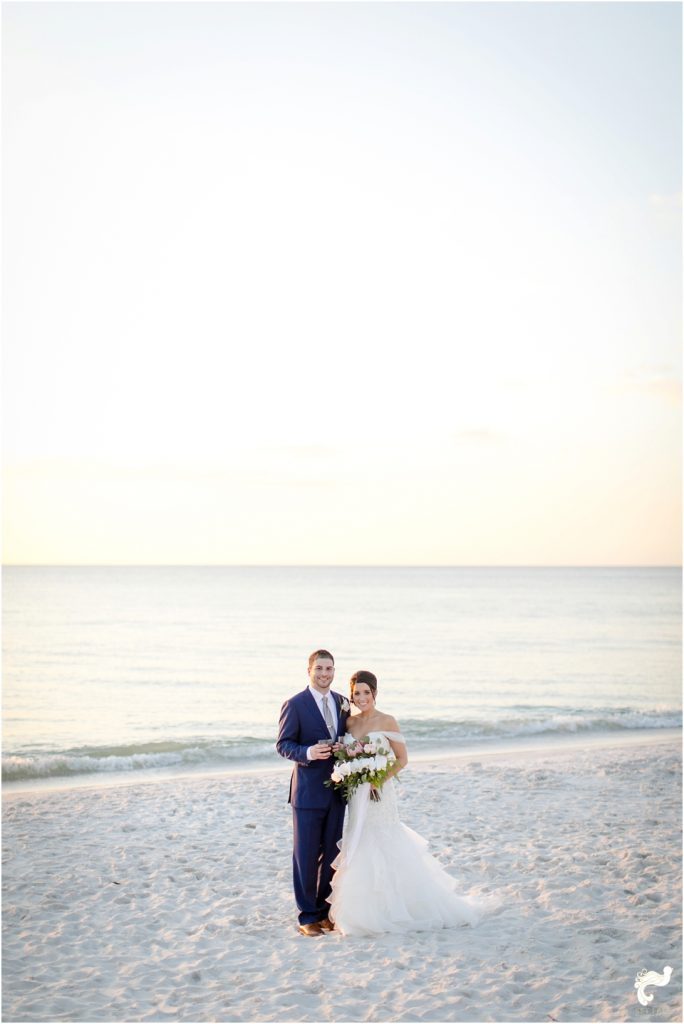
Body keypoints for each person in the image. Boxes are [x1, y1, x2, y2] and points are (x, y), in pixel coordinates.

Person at [327, 670, 494, 936]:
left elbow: (402, 759)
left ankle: (396, 907)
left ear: (375, 693)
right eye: (356, 693)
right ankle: (359, 908)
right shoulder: (349, 724)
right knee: (358, 839)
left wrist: (377, 779)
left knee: (382, 837)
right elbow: (345, 755)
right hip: (357, 794)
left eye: (366, 692)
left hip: (379, 791)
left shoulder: (388, 721)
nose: (361, 698)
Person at [276, 649, 351, 936]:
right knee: (306, 855)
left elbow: (349, 738)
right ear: (309, 670)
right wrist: (308, 751)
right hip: (307, 793)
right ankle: (307, 915)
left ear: (334, 671)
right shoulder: (295, 704)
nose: (324, 674)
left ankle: (323, 912)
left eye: (329, 669)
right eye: (319, 668)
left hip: (337, 791)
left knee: (332, 854)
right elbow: (283, 744)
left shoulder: (343, 702)